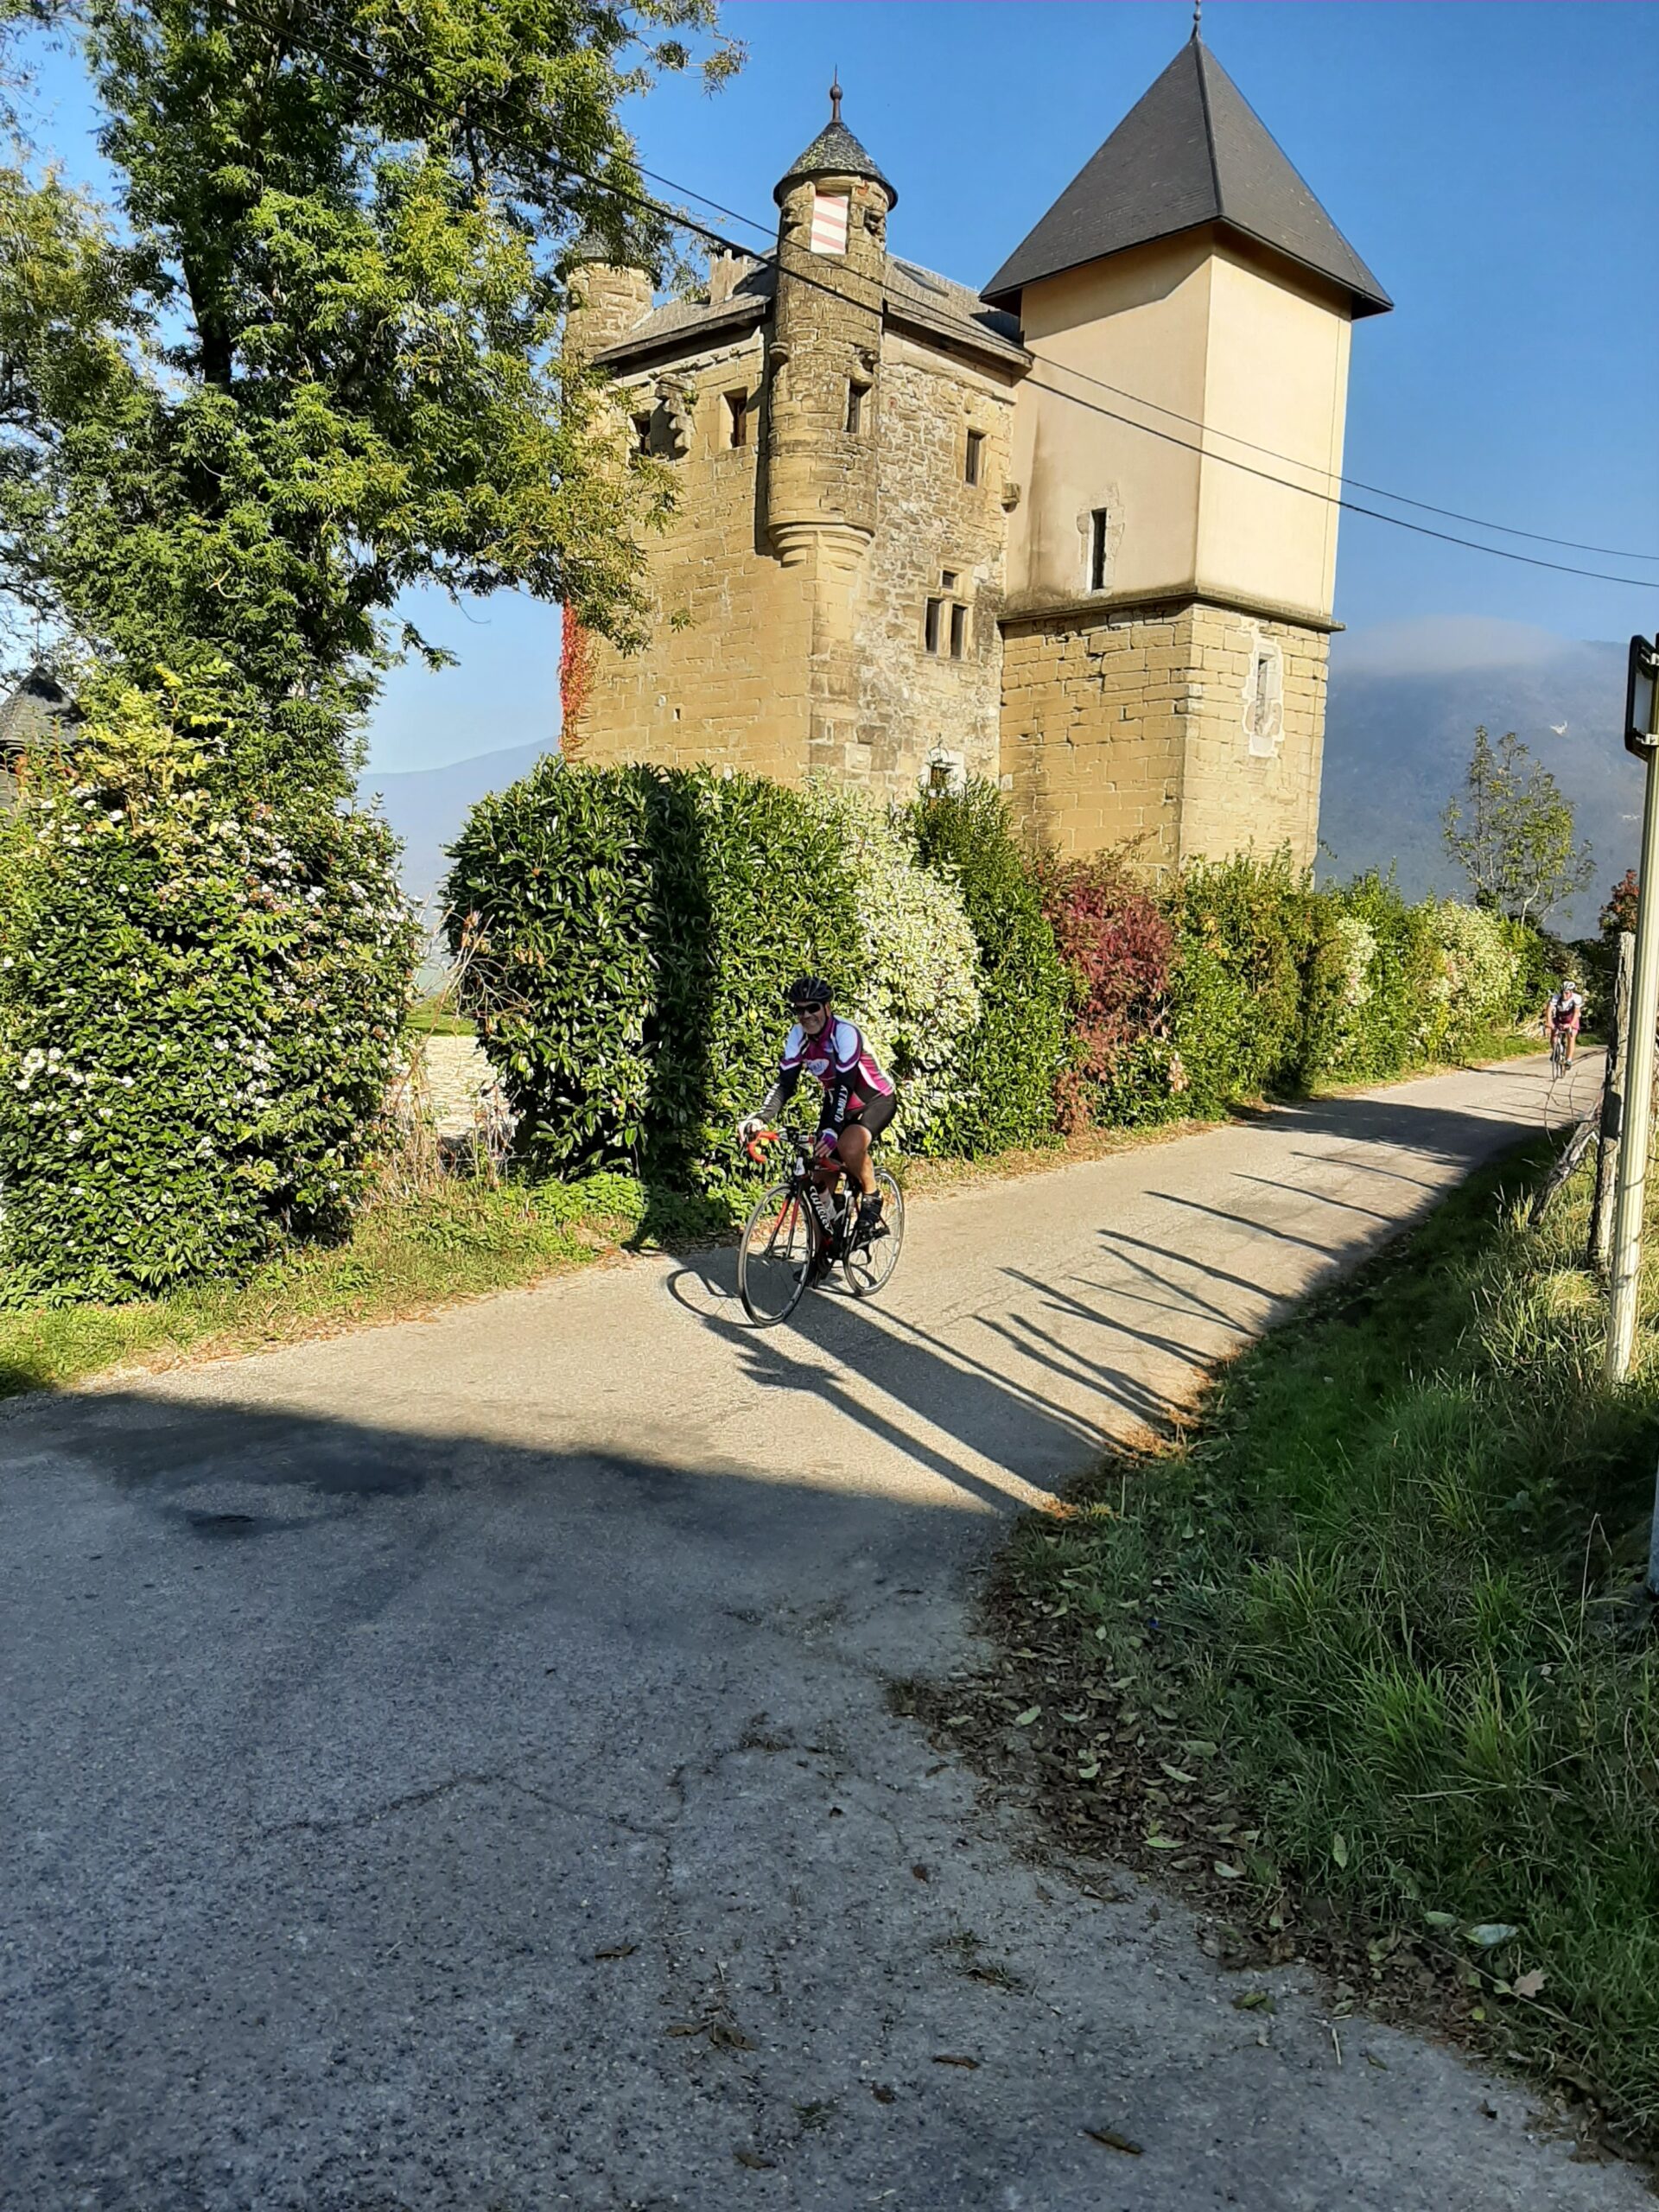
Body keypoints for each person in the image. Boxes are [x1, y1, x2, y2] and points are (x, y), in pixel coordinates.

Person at [740, 978, 898, 1262]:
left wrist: (833, 1131)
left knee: (849, 1146)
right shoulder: (797, 1036)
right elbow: (785, 1084)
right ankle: (823, 1249)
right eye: (798, 1010)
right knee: (818, 1181)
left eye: (812, 1007)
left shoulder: (845, 1033)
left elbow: (845, 1084)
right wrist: (760, 1118)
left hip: (874, 1099)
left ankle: (872, 1197)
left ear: (827, 1007)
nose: (806, 1015)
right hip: (837, 1103)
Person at [1545, 975, 1583, 1066]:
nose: (1564, 995)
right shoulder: (1556, 997)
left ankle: (1569, 1059)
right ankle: (1556, 1051)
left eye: (1566, 993)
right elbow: (1549, 1010)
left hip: (1571, 1019)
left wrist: (1570, 1025)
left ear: (1571, 992)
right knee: (1554, 1034)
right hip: (1559, 1018)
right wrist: (1549, 1022)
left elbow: (1576, 1013)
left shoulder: (1577, 998)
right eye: (1562, 992)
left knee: (1571, 1036)